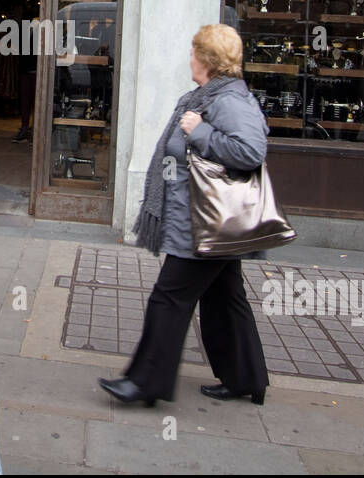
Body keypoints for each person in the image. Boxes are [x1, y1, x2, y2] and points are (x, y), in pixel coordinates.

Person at [99, 24, 270, 407]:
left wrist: (200, 132)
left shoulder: (227, 101)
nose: (189, 58)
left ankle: (145, 383)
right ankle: (247, 378)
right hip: (202, 221)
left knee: (168, 298)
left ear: (207, 59)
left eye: (194, 51)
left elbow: (251, 151)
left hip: (204, 224)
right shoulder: (207, 96)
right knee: (226, 299)